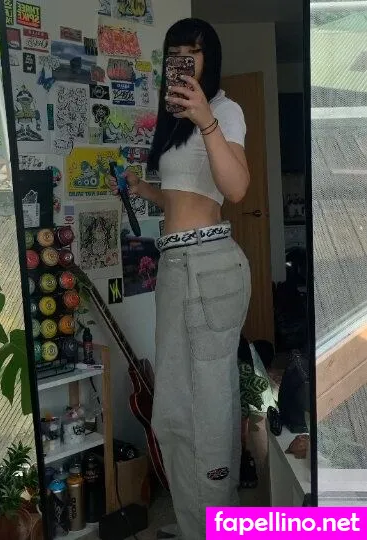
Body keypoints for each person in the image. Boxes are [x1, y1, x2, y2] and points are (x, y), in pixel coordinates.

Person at [109, 18, 251, 540]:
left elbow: (235, 188)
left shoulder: (225, 111)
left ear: (209, 59)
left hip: (209, 265)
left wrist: (206, 117)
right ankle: (197, 526)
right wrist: (142, 188)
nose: (182, 61)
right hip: (175, 266)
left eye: (192, 51)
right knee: (172, 412)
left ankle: (219, 528)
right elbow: (183, 196)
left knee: (208, 411)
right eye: (174, 53)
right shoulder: (172, 121)